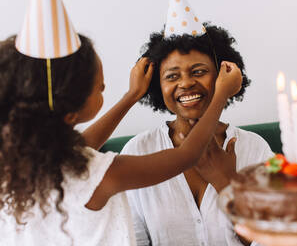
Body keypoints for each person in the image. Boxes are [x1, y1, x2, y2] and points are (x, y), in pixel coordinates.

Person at [0, 34, 242, 246]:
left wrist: (132, 95)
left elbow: (82, 144)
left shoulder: (23, 163)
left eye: (198, 71)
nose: (186, 82)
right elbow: (187, 155)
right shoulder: (102, 172)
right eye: (100, 88)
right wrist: (221, 93)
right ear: (72, 112)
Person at [121, 23, 273, 246]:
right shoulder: (139, 150)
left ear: (223, 77)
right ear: (158, 86)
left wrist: (227, 186)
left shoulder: (253, 148)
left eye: (198, 72)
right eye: (172, 76)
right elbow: (132, 239)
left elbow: (272, 240)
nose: (185, 83)